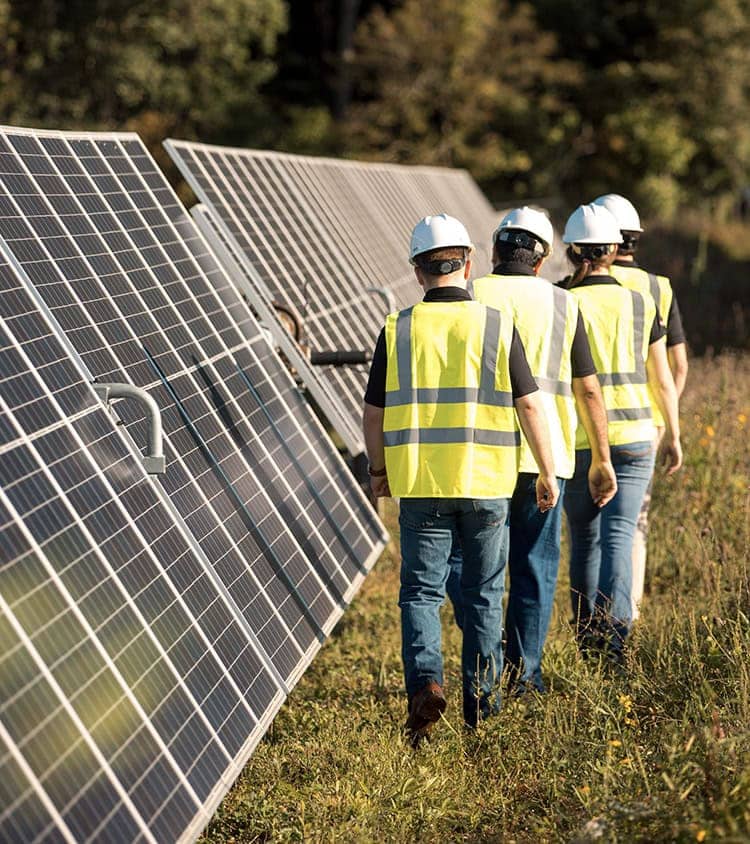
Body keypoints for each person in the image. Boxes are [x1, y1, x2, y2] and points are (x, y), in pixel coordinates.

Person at [362, 213, 559, 741]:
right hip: (489, 483)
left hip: (422, 482)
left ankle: (427, 684)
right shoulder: (496, 323)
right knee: (483, 595)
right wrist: (545, 469)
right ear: (469, 263)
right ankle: (482, 708)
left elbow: (374, 413)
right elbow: (531, 406)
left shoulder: (397, 327)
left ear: (417, 271)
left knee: (421, 594)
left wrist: (378, 470)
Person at [445, 207, 617, 695]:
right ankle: (527, 676)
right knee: (535, 568)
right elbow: (588, 391)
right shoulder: (565, 304)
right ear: (542, 260)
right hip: (548, 460)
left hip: (480, 457)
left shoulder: (472, 293)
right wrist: (601, 459)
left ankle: (488, 645)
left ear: (495, 251)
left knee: (466, 563)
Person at [559, 203, 682, 665]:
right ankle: (616, 643)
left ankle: (587, 638)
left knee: (584, 539)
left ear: (572, 250)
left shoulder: (563, 303)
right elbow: (663, 377)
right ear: (614, 249)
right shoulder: (640, 301)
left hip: (581, 440)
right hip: (635, 436)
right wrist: (673, 431)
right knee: (621, 538)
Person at [591, 194, 688, 620]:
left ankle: (591, 619)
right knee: (631, 527)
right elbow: (676, 366)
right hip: (642, 427)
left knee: (589, 532)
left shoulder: (578, 284)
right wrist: (665, 422)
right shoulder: (658, 287)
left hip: (584, 427)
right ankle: (626, 615)